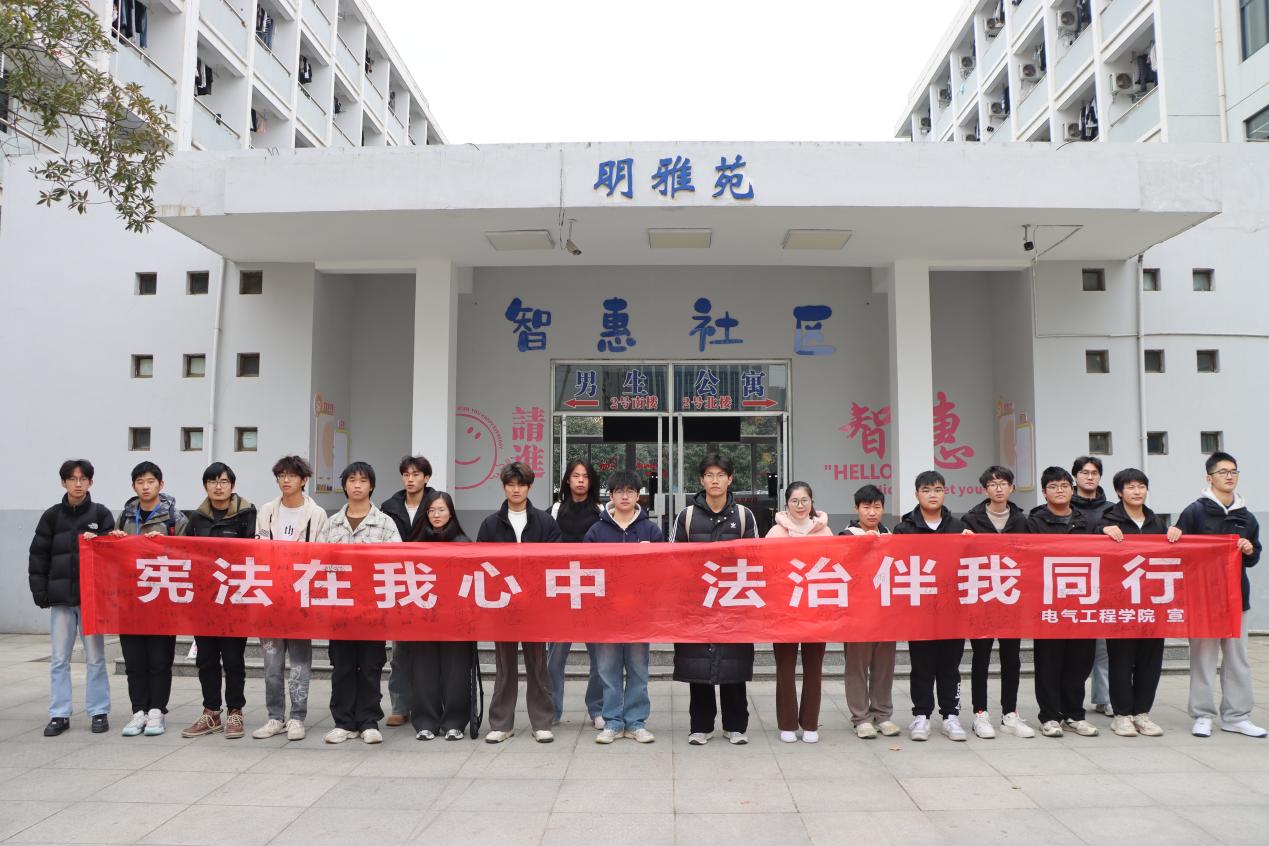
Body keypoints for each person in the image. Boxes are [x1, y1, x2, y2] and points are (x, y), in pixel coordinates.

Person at [672, 452, 759, 746]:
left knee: (734, 665)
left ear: (730, 479)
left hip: (734, 600)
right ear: (701, 480)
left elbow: (755, 558)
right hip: (698, 602)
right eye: (709, 475)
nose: (715, 480)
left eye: (721, 475)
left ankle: (736, 726)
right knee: (698, 666)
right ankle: (701, 726)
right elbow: (673, 560)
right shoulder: (686, 517)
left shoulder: (744, 516)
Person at [1176, 452, 1265, 738]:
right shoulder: (1195, 512)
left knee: (1238, 659)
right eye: (1223, 472)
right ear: (1209, 477)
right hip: (1203, 598)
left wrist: (1249, 550)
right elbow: (1180, 552)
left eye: (1233, 471)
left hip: (1236, 598)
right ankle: (1202, 714)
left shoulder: (1246, 516)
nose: (1229, 476)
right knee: (1203, 658)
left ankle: (1237, 716)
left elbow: (1254, 557)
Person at [29, 459, 116, 737]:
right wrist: (40, 591)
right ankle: (59, 714)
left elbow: (113, 555)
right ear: (63, 482)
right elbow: (38, 555)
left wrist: (99, 540)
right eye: (72, 479)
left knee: (96, 658)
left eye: (83, 479)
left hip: (91, 601)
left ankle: (99, 711)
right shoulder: (51, 516)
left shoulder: (101, 514)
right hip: (61, 601)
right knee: (59, 659)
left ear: (91, 482)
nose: (78, 484)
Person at [477, 461, 561, 744]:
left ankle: (541, 722)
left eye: (521, 484)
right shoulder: (490, 524)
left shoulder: (545, 522)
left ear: (529, 487)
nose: (516, 489)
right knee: (504, 666)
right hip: (502, 604)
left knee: (538, 665)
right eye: (511, 484)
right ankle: (501, 724)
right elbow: (481, 564)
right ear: (503, 487)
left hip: (535, 604)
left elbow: (555, 561)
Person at [319, 461, 400, 744]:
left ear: (371, 486)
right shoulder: (332, 524)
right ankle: (343, 722)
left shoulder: (385, 523)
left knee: (370, 666)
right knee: (342, 666)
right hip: (339, 608)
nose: (357, 485)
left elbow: (396, 562)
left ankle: (368, 721)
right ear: (344, 485)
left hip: (371, 609)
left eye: (363, 480)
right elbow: (318, 563)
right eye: (351, 480)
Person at [1097, 467, 1182, 737]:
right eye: (1130, 487)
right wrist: (1101, 531)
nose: (1137, 492)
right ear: (1119, 492)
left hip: (1152, 604)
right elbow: (1090, 548)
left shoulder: (1157, 522)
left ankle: (1142, 713)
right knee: (1121, 660)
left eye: (1141, 486)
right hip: (1120, 604)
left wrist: (1176, 535)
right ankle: (1122, 715)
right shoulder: (1107, 520)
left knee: (1150, 661)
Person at [252, 455, 328, 741]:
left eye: (292, 476)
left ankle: (297, 717)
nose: (286, 480)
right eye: (281, 475)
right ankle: (275, 717)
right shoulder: (267, 510)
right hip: (270, 596)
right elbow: (259, 548)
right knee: (271, 664)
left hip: (300, 597)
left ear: (303, 480)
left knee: (299, 664)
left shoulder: (316, 513)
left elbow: (321, 554)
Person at [109, 461, 188, 737]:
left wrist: (166, 544)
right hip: (130, 601)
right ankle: (138, 711)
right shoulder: (125, 517)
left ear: (161, 484)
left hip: (162, 600)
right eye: (140, 482)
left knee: (159, 659)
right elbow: (113, 558)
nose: (146, 486)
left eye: (151, 481)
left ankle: (157, 711)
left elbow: (187, 556)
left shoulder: (175, 519)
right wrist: (115, 539)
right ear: (133, 486)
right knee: (134, 660)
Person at [179, 462, 256, 740]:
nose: (218, 486)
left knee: (233, 659)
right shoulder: (196, 519)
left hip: (234, 600)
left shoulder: (247, 514)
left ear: (232, 485)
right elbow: (182, 552)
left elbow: (253, 554)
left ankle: (235, 712)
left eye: (223, 481)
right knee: (206, 659)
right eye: (212, 482)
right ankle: (211, 711)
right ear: (205, 486)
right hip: (204, 602)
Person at [585, 470, 663, 744]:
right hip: (606, 613)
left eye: (631, 491)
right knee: (607, 670)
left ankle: (636, 722)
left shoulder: (650, 530)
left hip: (640, 613)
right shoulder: (597, 530)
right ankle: (613, 722)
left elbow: (663, 570)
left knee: (638, 669)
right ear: (611, 495)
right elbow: (586, 569)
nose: (625, 496)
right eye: (620, 491)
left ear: (638, 495)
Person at [960, 466, 1035, 740]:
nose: (999, 488)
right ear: (985, 490)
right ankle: (980, 714)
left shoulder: (1023, 520)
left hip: (1012, 598)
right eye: (993, 484)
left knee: (1011, 658)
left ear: (1012, 488)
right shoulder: (970, 520)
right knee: (980, 658)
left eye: (1003, 483)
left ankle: (1010, 714)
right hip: (982, 598)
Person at [894, 470, 969, 742]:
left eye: (938, 489)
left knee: (950, 666)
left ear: (945, 492)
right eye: (926, 490)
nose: (932, 495)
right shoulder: (904, 529)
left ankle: (950, 715)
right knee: (922, 665)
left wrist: (972, 544)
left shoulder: (959, 527)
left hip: (952, 610)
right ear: (917, 494)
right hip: (920, 609)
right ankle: (921, 715)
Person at [1027, 467, 1099, 738]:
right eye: (1053, 486)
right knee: (1049, 663)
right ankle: (1049, 716)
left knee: (1080, 662)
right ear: (1044, 492)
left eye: (1064, 485)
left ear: (1072, 489)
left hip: (1082, 604)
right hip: (1048, 604)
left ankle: (1074, 715)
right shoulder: (1033, 522)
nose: (1060, 490)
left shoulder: (1088, 522)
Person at [405, 490, 477, 741]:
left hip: (456, 619)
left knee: (456, 672)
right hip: (424, 617)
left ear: (451, 513)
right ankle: (426, 721)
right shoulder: (415, 543)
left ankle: (455, 722)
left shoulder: (463, 543)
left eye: (441, 510)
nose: (436, 515)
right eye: (432, 510)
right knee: (423, 671)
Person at [765, 481, 832, 744]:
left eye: (805, 500)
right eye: (794, 501)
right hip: (784, 610)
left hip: (816, 608)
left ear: (812, 502)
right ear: (787, 504)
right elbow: (767, 569)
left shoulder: (825, 531)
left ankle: (811, 723)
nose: (800, 505)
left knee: (814, 668)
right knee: (785, 668)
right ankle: (787, 723)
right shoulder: (775, 532)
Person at [545, 460, 604, 728]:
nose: (580, 480)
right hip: (561, 592)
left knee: (599, 658)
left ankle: (597, 709)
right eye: (575, 476)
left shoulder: (603, 512)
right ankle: (552, 710)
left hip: (593, 592)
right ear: (567, 480)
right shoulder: (554, 511)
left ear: (592, 481)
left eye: (585, 476)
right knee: (555, 658)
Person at [840, 484, 900, 740]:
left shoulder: (891, 536)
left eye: (877, 507)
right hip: (857, 614)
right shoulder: (846, 536)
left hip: (885, 612)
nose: (872, 512)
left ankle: (882, 714)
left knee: (884, 666)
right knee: (857, 666)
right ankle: (861, 718)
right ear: (857, 509)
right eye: (866, 507)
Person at [379, 455, 435, 728]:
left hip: (429, 582)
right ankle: (400, 706)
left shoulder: (437, 503)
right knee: (400, 652)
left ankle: (429, 704)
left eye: (416, 474)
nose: (410, 479)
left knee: (429, 651)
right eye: (406, 474)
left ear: (426, 477)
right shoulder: (389, 507)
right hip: (398, 583)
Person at [1072, 455, 1114, 716]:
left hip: (1104, 583)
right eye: (1084, 472)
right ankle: (1070, 700)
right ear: (1075, 476)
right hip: (1070, 583)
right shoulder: (1062, 505)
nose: (1089, 477)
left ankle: (1104, 697)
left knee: (1104, 648)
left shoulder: (1112, 510)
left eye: (1094, 473)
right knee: (1074, 649)